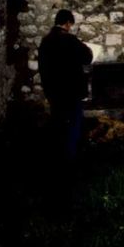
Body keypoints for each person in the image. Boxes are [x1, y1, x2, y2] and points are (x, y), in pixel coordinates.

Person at [38, 9, 93, 162]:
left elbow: (42, 67)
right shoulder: (70, 40)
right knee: (74, 123)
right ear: (68, 23)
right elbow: (87, 57)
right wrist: (86, 47)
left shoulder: (46, 41)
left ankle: (56, 155)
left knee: (58, 121)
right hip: (71, 90)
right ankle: (71, 157)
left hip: (53, 91)